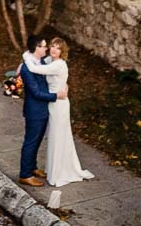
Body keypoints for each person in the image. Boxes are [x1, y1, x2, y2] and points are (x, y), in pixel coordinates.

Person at [22, 37, 94, 187]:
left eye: (57, 48)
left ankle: (57, 171)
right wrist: (25, 57)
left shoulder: (58, 64)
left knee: (58, 137)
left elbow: (38, 69)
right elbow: (35, 71)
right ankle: (26, 174)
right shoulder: (47, 61)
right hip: (48, 104)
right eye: (49, 46)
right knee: (38, 140)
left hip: (58, 106)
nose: (50, 49)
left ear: (62, 51)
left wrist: (26, 56)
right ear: (36, 49)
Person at [17, 34, 66, 187]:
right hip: (35, 111)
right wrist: (56, 95)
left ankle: (32, 167)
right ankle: (25, 174)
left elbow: (56, 68)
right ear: (36, 48)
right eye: (44, 46)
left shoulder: (39, 61)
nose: (47, 48)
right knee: (31, 142)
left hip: (43, 110)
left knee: (37, 141)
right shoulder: (27, 68)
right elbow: (36, 93)